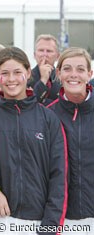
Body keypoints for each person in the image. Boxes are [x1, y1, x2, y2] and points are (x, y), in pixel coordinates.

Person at [0, 47, 67, 235]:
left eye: (17, 72)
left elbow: (59, 175)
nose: (11, 79)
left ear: (28, 73)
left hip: (39, 221)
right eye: (4, 73)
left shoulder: (48, 118)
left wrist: (50, 227)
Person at [47, 47, 94, 235]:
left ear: (90, 74)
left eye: (80, 69)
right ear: (58, 74)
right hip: (62, 218)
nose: (73, 75)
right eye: (67, 69)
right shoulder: (47, 114)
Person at [27, 34, 61, 105]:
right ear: (34, 55)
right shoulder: (26, 77)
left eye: (49, 51)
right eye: (41, 50)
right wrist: (43, 80)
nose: (44, 54)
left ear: (57, 56)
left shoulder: (62, 79)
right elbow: (28, 103)